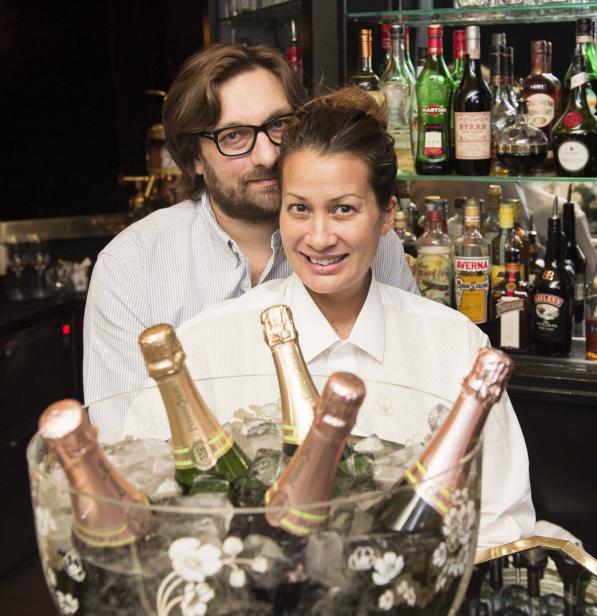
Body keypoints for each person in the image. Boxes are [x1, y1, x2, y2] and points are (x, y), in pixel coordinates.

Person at [124, 87, 535, 549]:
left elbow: (501, 524)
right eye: (299, 208)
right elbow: (149, 516)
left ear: (386, 216)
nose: (319, 238)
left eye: (343, 209)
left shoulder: (455, 346)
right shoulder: (206, 344)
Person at [83, 44, 417, 441]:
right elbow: (124, 444)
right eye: (234, 136)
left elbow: (409, 387)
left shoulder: (367, 244)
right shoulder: (131, 266)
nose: (268, 154)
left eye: (279, 125)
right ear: (194, 158)